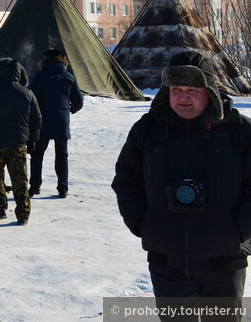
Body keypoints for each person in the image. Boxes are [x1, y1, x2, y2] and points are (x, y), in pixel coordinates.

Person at [112, 51, 251, 315]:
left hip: (224, 261)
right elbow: (126, 180)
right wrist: (143, 223)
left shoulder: (239, 131)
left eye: (192, 89)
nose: (183, 97)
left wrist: (239, 230)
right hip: (168, 262)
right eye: (176, 89)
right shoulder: (148, 130)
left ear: (209, 90)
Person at [0, 58, 41, 225]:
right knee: (20, 180)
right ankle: (23, 214)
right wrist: (33, 140)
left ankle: (0, 208)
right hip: (19, 144)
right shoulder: (27, 94)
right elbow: (36, 120)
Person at [28, 48, 83, 198]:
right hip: (61, 120)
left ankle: (34, 186)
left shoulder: (40, 76)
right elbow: (78, 101)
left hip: (43, 119)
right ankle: (63, 188)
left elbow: (31, 97)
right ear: (63, 61)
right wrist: (70, 109)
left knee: (37, 154)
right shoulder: (69, 76)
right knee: (62, 155)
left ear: (46, 61)